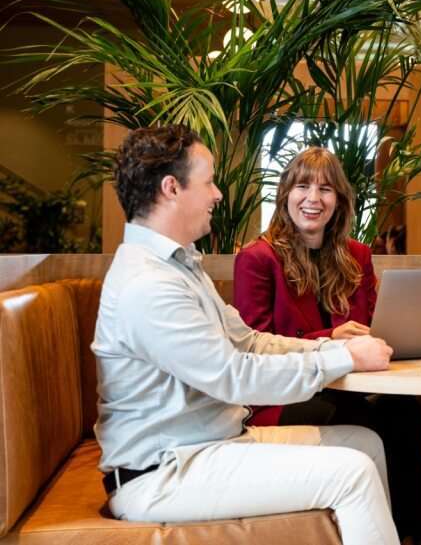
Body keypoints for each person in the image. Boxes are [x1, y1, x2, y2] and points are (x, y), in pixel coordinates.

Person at [92, 125, 400, 545]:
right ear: (171, 188)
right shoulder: (148, 283)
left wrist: (335, 346)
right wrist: (342, 360)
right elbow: (233, 375)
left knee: (365, 443)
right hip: (165, 471)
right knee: (353, 471)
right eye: (208, 182)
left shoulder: (178, 267)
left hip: (210, 446)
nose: (218, 194)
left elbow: (250, 340)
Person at [233, 147, 421, 542]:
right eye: (302, 186)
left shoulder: (357, 255)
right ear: (285, 194)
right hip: (283, 397)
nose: (313, 198)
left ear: (339, 200)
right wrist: (330, 342)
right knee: (367, 422)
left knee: (406, 413)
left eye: (325, 189)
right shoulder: (258, 258)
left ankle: (411, 533)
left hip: (351, 388)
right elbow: (252, 350)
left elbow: (376, 325)